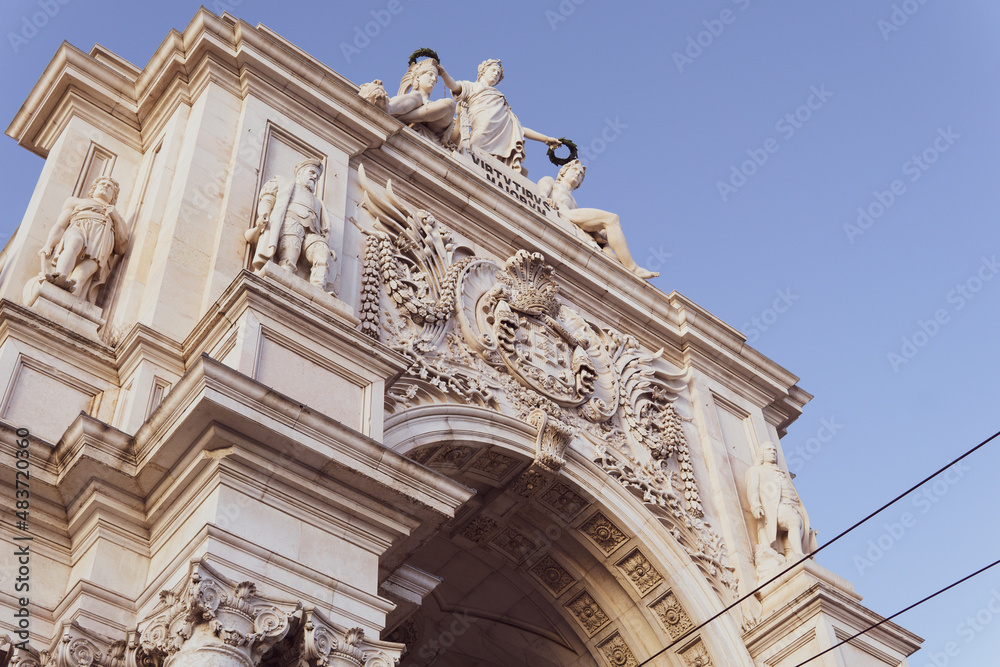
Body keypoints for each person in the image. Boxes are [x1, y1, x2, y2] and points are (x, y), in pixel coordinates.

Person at [537, 160, 659, 280]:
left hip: (573, 219)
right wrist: (546, 201)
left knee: (606, 243)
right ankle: (634, 268)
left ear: (580, 183)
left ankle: (626, 272)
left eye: (580, 175)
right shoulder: (551, 182)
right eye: (574, 170)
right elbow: (540, 194)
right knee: (611, 219)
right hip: (563, 213)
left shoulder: (574, 202)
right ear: (563, 172)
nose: (577, 174)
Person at [436, 59, 561, 173]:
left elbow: (518, 129)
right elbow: (454, 86)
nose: (496, 74)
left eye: (498, 74)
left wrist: (545, 138)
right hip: (482, 124)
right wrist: (443, 73)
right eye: (493, 70)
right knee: (473, 148)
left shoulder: (500, 100)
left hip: (500, 133)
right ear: (483, 71)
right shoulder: (472, 86)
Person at [246, 158, 333, 289]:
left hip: (312, 232)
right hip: (291, 223)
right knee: (290, 256)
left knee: (322, 251)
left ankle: (318, 287)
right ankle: (282, 285)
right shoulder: (283, 183)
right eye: (312, 172)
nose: (315, 177)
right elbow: (268, 199)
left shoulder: (318, 202)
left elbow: (324, 227)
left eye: (317, 175)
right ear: (300, 173)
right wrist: (264, 215)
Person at [40, 176, 128, 304]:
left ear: (113, 196)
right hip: (79, 227)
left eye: (110, 187)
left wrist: (116, 220)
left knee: (83, 272)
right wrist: (48, 244)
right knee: (75, 242)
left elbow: (121, 248)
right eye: (102, 184)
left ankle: (69, 300)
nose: (105, 186)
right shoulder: (75, 202)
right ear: (94, 189)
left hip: (101, 242)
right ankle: (59, 275)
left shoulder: (117, 217)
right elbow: (60, 226)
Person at [745, 441, 811, 560]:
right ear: (762, 454)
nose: (773, 452)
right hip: (775, 506)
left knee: (797, 528)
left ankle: (792, 557)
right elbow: (752, 489)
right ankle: (800, 555)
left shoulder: (782, 472)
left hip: (793, 505)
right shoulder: (756, 470)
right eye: (769, 450)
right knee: (793, 521)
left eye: (774, 450)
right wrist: (756, 506)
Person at [385, 59, 456, 147]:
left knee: (450, 104)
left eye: (436, 79)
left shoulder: (437, 105)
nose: (433, 79)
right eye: (430, 74)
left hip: (433, 132)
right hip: (402, 107)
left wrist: (460, 116)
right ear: (418, 77)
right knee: (417, 96)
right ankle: (388, 109)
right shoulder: (408, 99)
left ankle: (402, 118)